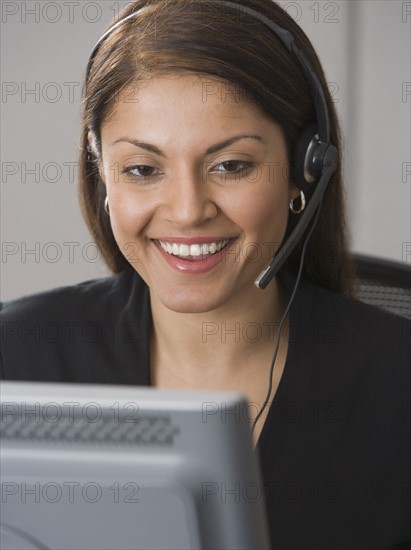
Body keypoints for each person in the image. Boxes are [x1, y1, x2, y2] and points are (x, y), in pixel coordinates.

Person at [1, 0, 410, 548]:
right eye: (143, 170)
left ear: (304, 170)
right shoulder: (16, 358)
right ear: (103, 177)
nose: (189, 210)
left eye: (231, 166)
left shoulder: (396, 387)